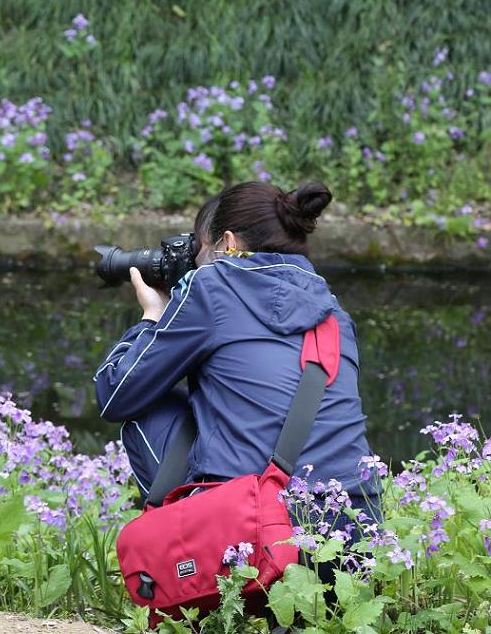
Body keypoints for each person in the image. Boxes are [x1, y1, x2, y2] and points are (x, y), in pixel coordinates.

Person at [94, 181, 380, 524]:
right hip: (352, 535)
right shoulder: (335, 314)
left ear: (227, 243)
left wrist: (152, 316)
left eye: (199, 251)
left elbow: (115, 395)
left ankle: (182, 554)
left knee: (144, 405)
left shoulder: (212, 288)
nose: (195, 262)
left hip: (251, 536)